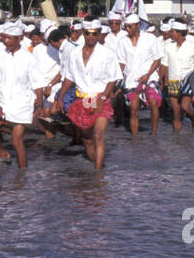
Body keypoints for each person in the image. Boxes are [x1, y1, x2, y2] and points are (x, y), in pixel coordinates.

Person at [57, 19, 121, 169]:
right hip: (82, 99)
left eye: (95, 33)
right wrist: (60, 97)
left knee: (98, 136)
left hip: (100, 97)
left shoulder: (107, 54)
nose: (91, 36)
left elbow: (113, 79)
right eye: (87, 33)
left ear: (99, 34)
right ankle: (96, 170)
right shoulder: (74, 53)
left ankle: (98, 176)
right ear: (83, 34)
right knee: (86, 138)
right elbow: (68, 77)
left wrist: (103, 98)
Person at [0, 22, 38, 168]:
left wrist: (38, 106)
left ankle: (21, 177)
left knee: (17, 141)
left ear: (19, 38)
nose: (6, 41)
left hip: (22, 105)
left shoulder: (29, 58)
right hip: (2, 102)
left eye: (10, 38)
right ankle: (3, 153)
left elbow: (38, 85)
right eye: (5, 38)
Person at [118, 13, 162, 136]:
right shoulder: (122, 41)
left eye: (130, 26)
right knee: (134, 110)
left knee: (153, 103)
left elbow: (157, 59)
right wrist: (116, 80)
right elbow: (121, 63)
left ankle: (154, 134)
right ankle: (135, 139)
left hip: (149, 77)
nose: (127, 29)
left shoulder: (150, 39)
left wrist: (148, 74)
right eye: (125, 27)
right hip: (131, 79)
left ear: (138, 25)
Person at [164, 21, 194, 131]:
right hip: (173, 80)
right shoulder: (168, 46)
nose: (169, 33)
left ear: (179, 33)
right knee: (176, 113)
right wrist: (163, 80)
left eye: (172, 31)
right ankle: (177, 140)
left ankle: (193, 120)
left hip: (189, 80)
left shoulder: (192, 46)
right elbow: (164, 65)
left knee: (185, 107)